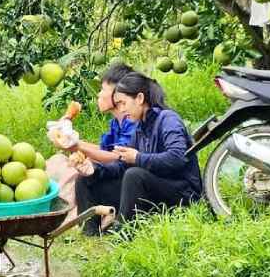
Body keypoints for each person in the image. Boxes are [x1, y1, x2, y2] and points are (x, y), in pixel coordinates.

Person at [73, 71, 203, 233]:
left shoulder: (168, 119)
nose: (120, 109)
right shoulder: (139, 127)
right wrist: (95, 170)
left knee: (134, 175)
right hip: (152, 188)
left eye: (123, 103)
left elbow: (177, 158)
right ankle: (89, 232)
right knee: (85, 179)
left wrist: (138, 158)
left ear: (140, 99)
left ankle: (124, 232)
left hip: (182, 192)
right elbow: (121, 166)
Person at [57, 62, 136, 164]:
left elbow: (118, 157)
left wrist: (77, 146)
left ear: (118, 94)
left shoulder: (133, 122)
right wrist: (72, 143)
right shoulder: (116, 122)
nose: (99, 94)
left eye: (102, 89)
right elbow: (104, 150)